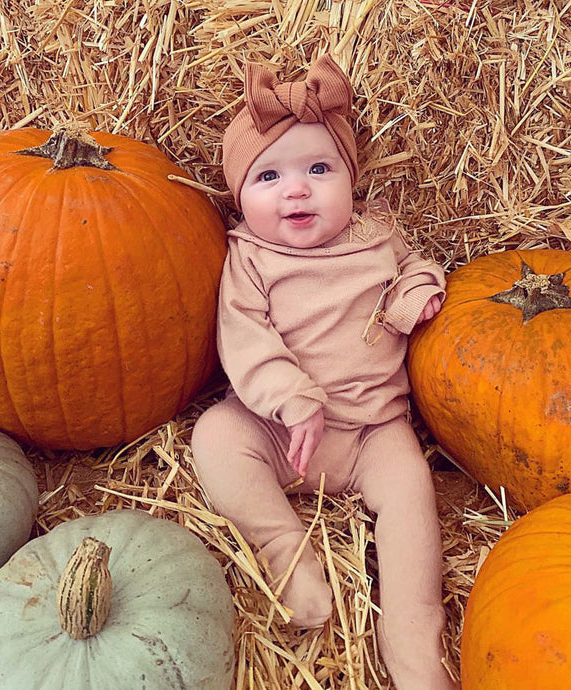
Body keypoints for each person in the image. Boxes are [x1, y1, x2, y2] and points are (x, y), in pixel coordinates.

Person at [191, 54, 455, 689]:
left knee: (410, 497)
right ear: (239, 196)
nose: (297, 189)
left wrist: (417, 295)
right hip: (281, 431)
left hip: (372, 434)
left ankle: (414, 635)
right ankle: (285, 549)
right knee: (217, 441)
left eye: (319, 169)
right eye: (269, 177)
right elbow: (243, 337)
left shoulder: (377, 239)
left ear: (350, 178)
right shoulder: (249, 259)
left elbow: (416, 268)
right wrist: (291, 397)